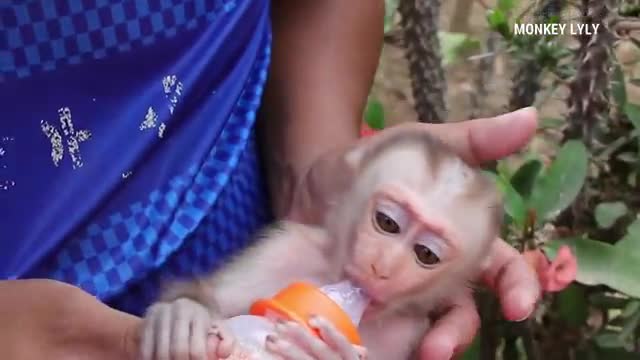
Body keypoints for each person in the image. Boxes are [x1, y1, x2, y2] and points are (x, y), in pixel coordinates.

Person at [0, 1, 540, 359]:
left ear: (458, 279)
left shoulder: (403, 329)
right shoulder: (292, 256)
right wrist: (182, 318)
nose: (385, 264)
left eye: (427, 255)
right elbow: (202, 306)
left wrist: (306, 166)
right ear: (360, 195)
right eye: (387, 220)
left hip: (222, 183)